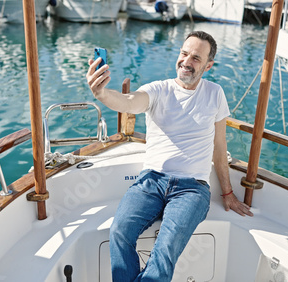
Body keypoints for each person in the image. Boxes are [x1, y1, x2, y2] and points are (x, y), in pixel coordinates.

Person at [86, 31, 254, 282]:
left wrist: (227, 192)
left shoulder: (215, 93)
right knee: (120, 232)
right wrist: (102, 94)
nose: (186, 61)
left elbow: (219, 147)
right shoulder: (158, 90)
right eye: (184, 53)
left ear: (208, 65)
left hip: (192, 189)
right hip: (151, 181)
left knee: (165, 249)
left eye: (196, 58)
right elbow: (129, 102)